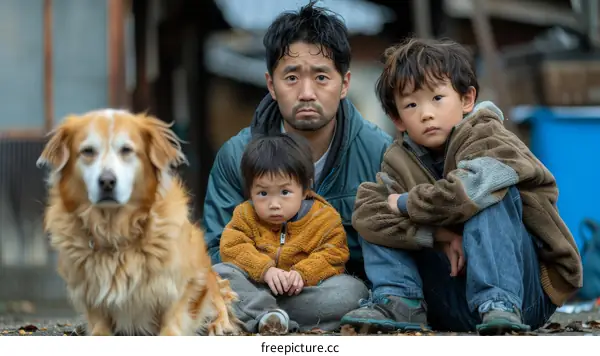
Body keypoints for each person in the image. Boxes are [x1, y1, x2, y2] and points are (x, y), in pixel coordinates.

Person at [340, 37, 583, 335]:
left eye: (437, 98)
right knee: (376, 208)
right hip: (448, 300)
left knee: (489, 192)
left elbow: (469, 190)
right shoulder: (398, 159)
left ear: (467, 99)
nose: (426, 113)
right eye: (411, 104)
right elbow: (367, 214)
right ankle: (400, 301)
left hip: (523, 296)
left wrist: (405, 204)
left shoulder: (490, 137)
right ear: (398, 119)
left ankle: (498, 301)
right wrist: (437, 235)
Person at [205, 2, 391, 282]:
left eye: (321, 77)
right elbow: (215, 250)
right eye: (291, 77)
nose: (306, 93)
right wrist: (268, 274)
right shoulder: (236, 155)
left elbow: (398, 247)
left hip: (340, 294)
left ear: (344, 84)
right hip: (258, 289)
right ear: (271, 85)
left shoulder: (378, 152)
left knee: (344, 291)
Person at [219, 133, 352, 333]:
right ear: (250, 191)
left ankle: (265, 316)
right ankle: (266, 314)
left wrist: (302, 274)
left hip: (303, 294)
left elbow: (334, 254)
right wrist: (266, 271)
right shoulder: (245, 214)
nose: (274, 204)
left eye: (285, 192)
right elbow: (232, 247)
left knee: (351, 290)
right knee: (219, 273)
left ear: (305, 188)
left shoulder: (324, 217)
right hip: (256, 289)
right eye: (263, 193)